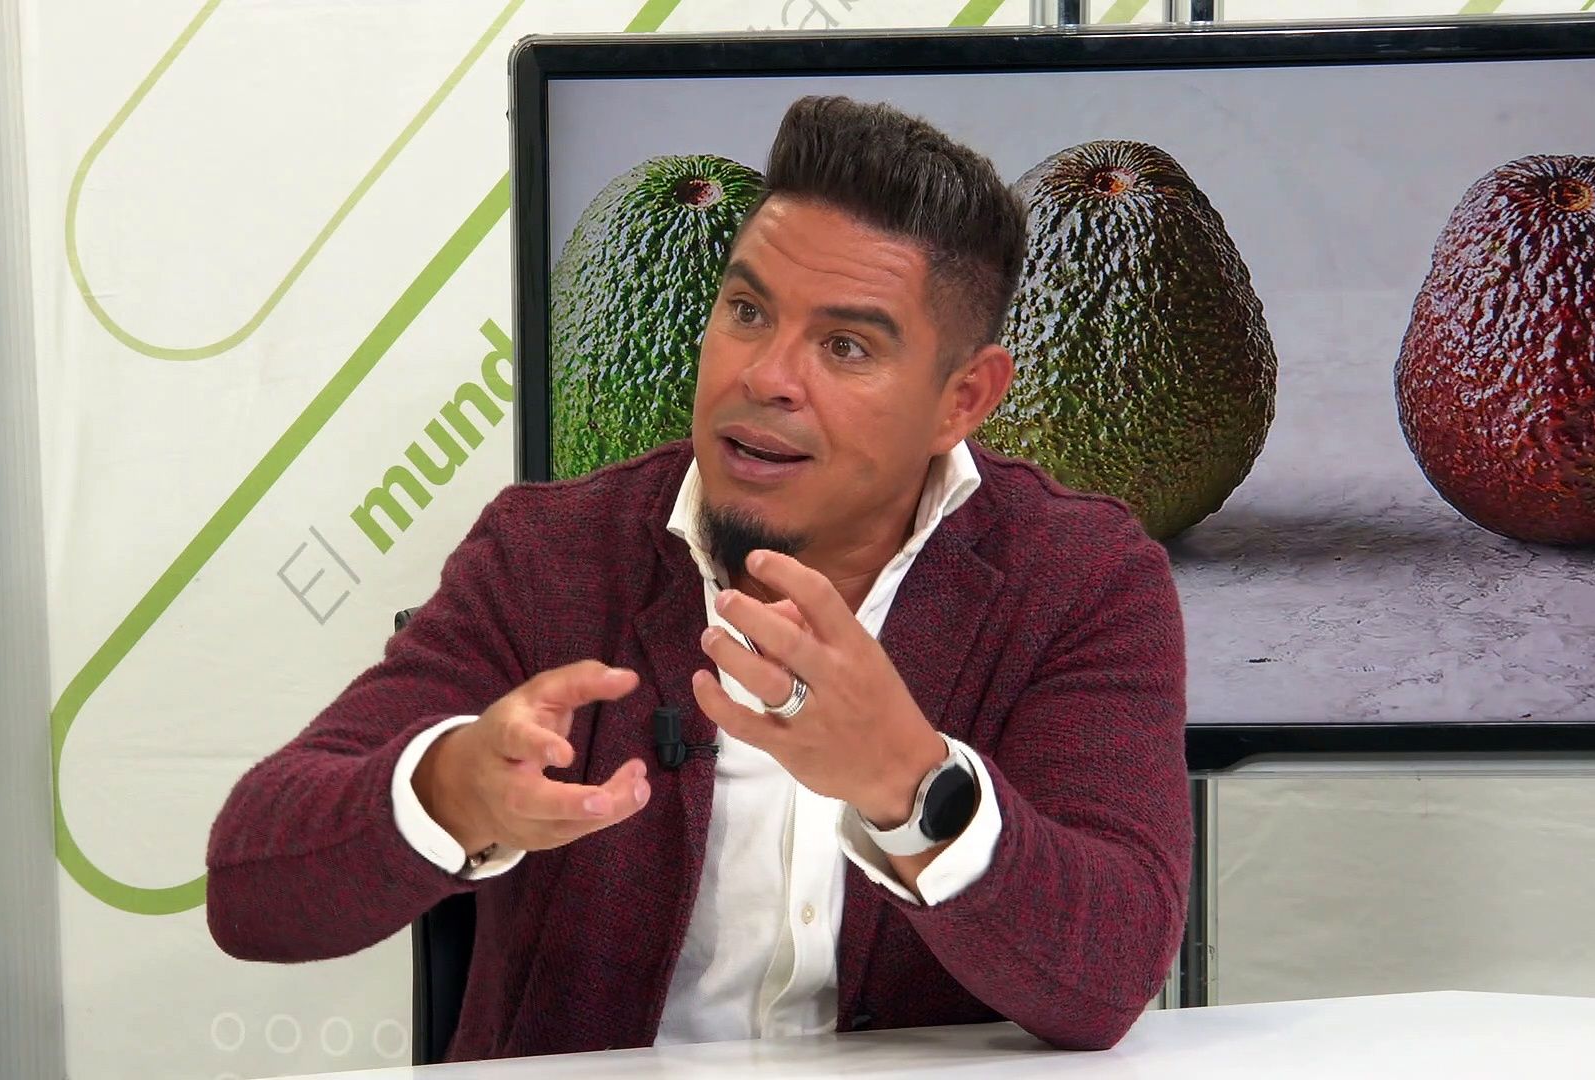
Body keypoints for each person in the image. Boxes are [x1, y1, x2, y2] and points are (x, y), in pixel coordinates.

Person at [205, 95, 1191, 1062]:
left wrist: (911, 784)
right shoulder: (550, 554)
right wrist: (449, 791)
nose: (765, 376)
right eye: (747, 311)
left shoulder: (1080, 579)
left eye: (845, 346)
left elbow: (1109, 976)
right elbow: (250, 888)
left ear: (962, 399)